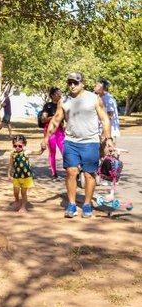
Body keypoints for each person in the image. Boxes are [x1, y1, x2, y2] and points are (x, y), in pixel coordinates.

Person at [42, 72, 114, 219]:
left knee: (89, 174)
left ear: (83, 83)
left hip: (90, 141)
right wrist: (46, 137)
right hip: (71, 142)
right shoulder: (64, 100)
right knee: (71, 172)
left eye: (75, 82)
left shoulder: (94, 98)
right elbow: (55, 120)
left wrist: (108, 138)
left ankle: (87, 205)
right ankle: (72, 204)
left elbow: (105, 119)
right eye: (70, 83)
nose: (72, 85)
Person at [8, 134, 43, 213]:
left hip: (26, 177)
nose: (17, 147)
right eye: (15, 146)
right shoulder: (12, 154)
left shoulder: (26, 152)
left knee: (23, 192)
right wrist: (8, 173)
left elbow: (38, 153)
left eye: (19, 146)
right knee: (16, 191)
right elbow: (11, 164)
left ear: (24, 145)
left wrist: (42, 149)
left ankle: (23, 207)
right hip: (17, 176)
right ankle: (17, 201)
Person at [41, 87, 65, 180]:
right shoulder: (48, 106)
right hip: (50, 130)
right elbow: (43, 119)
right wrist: (54, 118)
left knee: (65, 150)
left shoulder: (63, 105)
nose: (59, 95)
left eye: (60, 93)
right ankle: (54, 172)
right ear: (52, 95)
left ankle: (71, 170)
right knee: (52, 152)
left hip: (60, 130)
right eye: (57, 93)